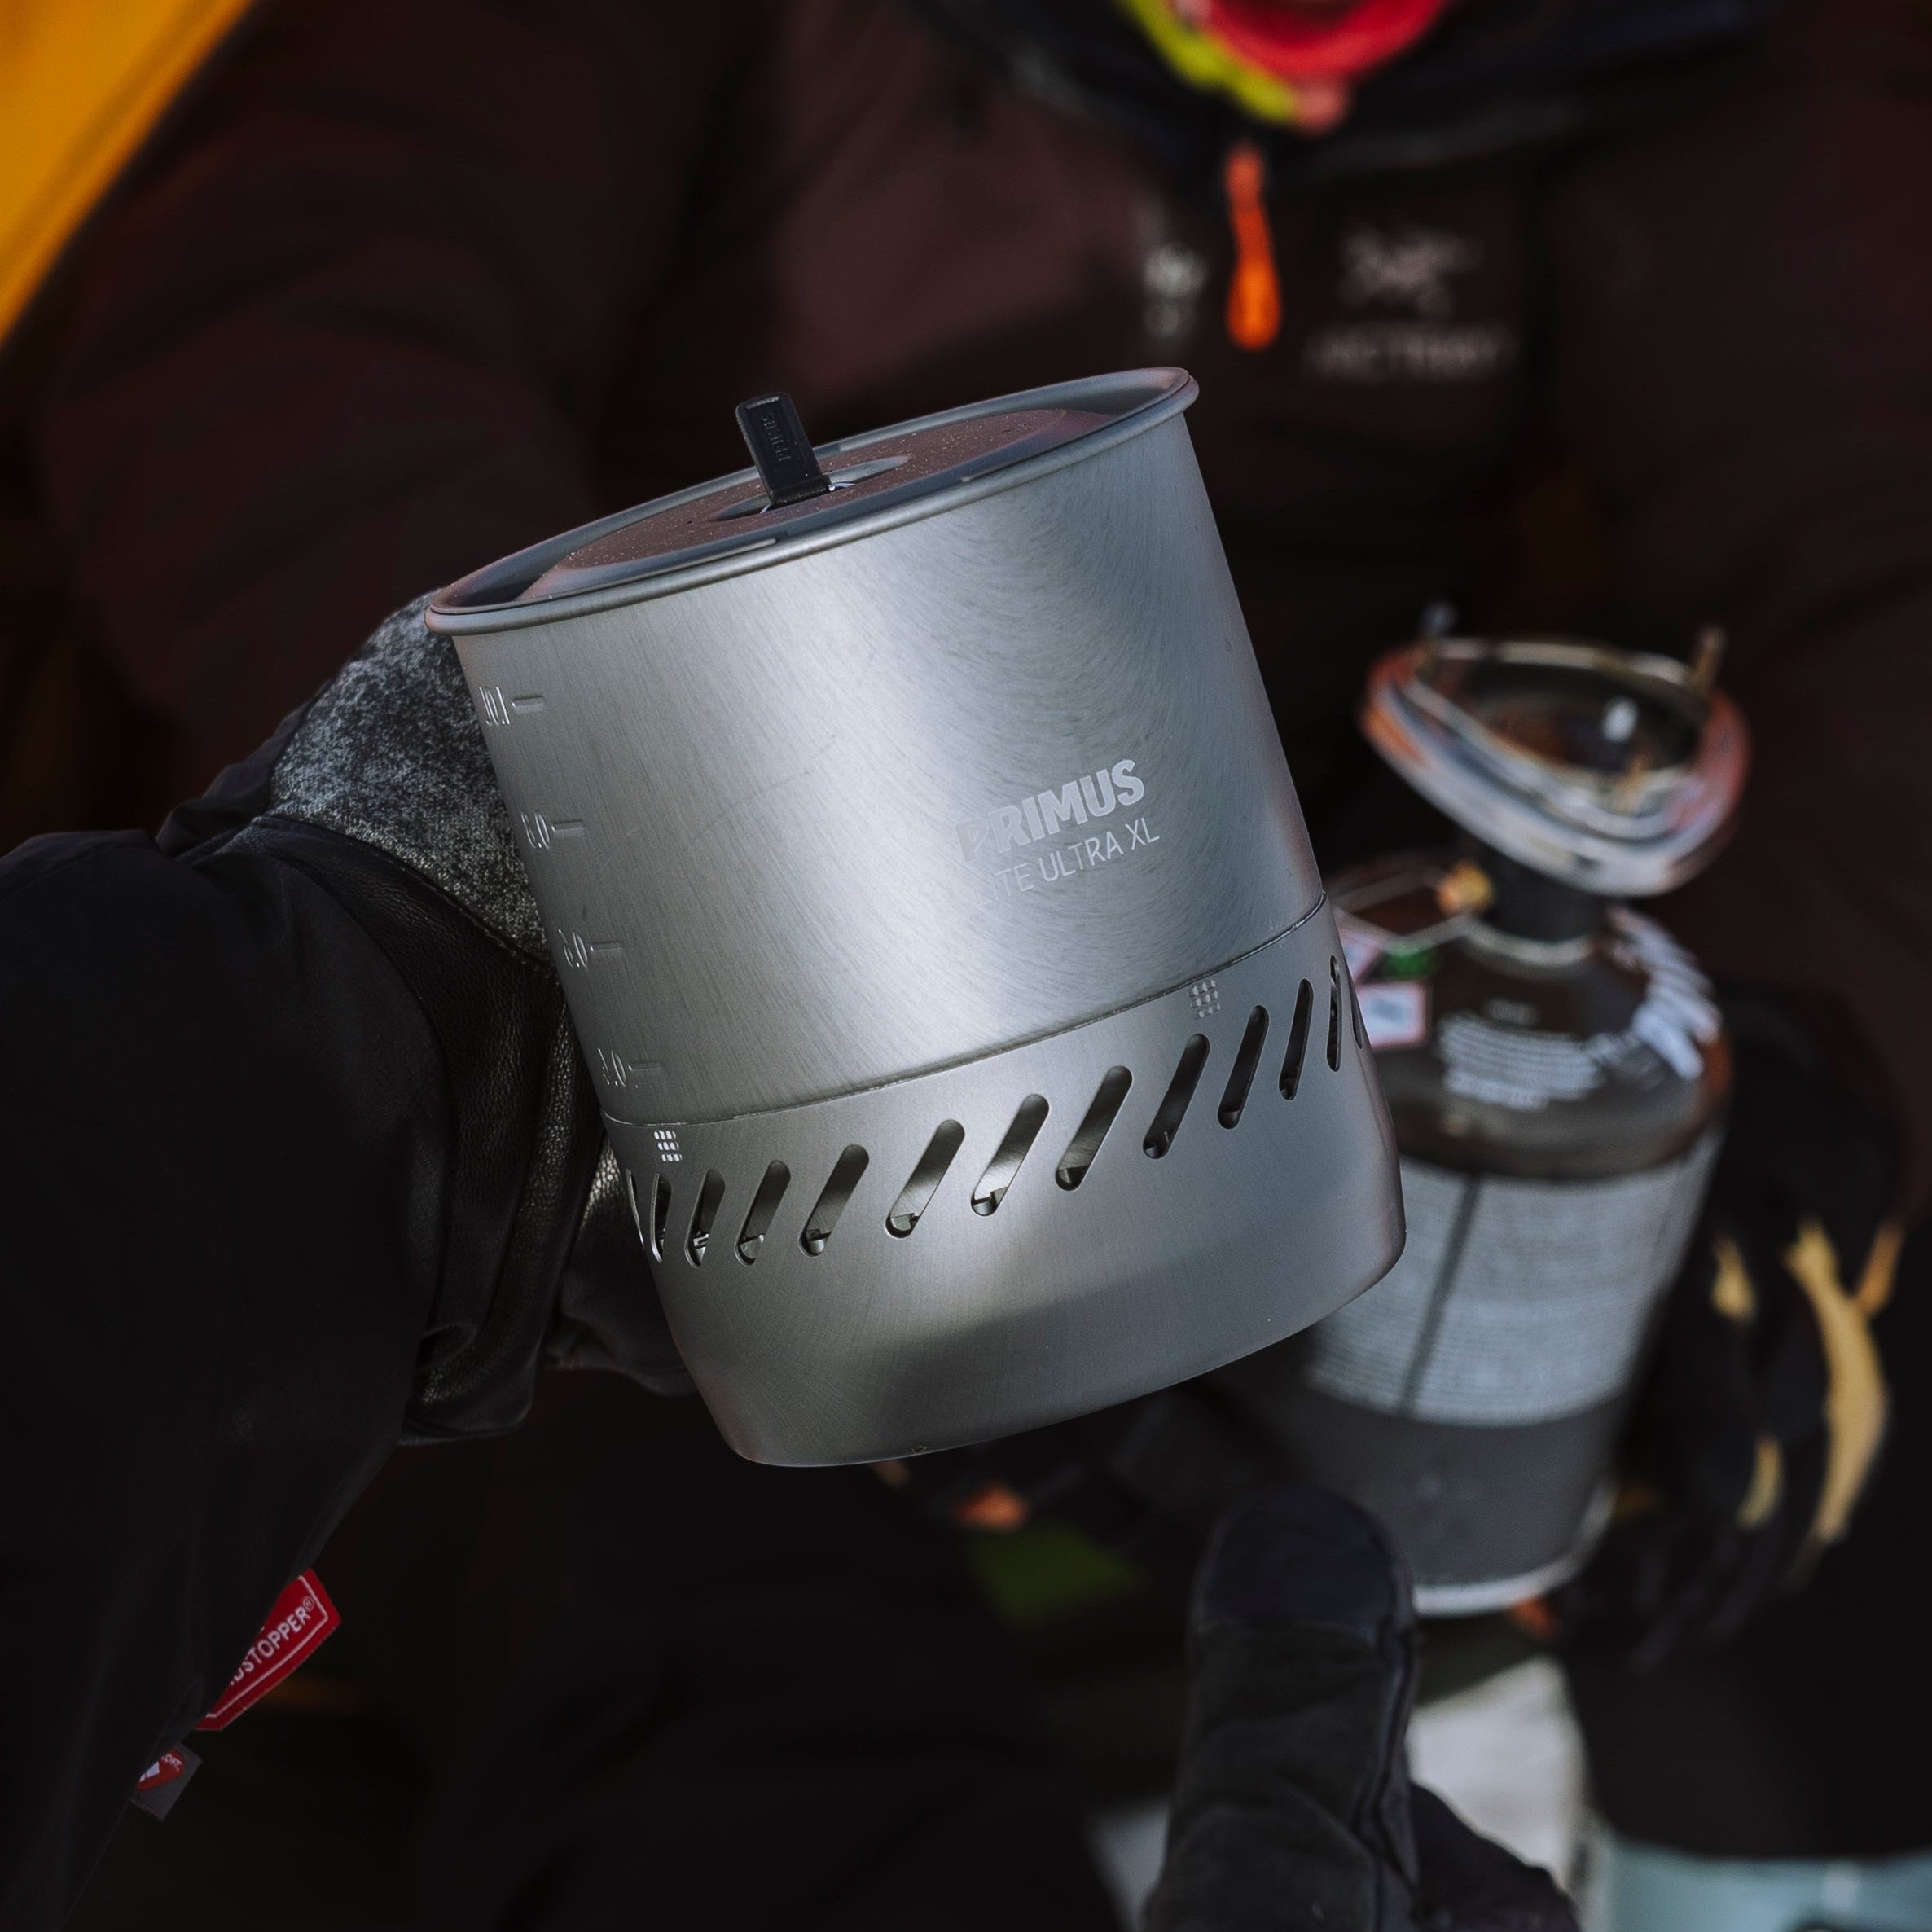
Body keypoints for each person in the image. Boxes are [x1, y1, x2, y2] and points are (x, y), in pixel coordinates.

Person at [3, 0, 1930, 1921]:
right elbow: (285, 341)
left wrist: (1790, 1076)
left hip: (1289, 1021)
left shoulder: (1663, 51)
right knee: (719, 1665)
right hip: (666, 1085)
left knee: (1790, 1512)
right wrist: (629, 916)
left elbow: (1872, 545)